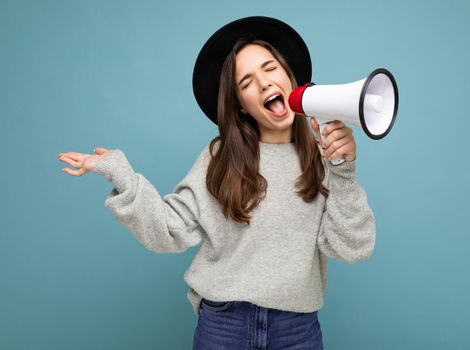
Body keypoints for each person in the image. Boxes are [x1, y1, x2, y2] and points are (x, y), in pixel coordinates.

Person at [57, 16, 376, 350]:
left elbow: (352, 247)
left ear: (290, 77)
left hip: (297, 330)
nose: (264, 83)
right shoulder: (222, 157)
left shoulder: (322, 159)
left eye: (270, 69)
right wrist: (121, 174)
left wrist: (343, 169)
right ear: (240, 104)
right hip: (225, 325)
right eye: (247, 81)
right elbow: (169, 229)